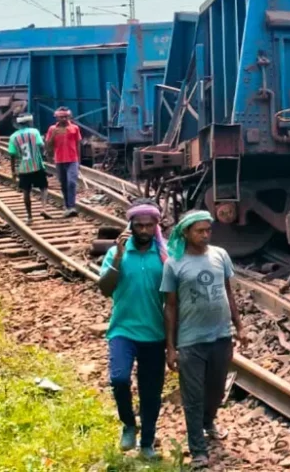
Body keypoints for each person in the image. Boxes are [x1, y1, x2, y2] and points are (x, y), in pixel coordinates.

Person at [161, 211, 247, 469]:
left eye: (208, 230)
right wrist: (171, 347)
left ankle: (208, 422)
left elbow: (228, 293)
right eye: (200, 231)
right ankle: (198, 449)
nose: (206, 235)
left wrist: (239, 326)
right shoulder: (174, 263)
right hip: (191, 341)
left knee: (217, 390)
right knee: (193, 397)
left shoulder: (220, 255)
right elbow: (170, 306)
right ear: (186, 233)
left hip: (221, 336)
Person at [99, 200, 169, 460]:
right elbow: (105, 289)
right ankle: (129, 424)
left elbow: (174, 299)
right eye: (139, 225)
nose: (144, 230)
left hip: (155, 333)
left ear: (156, 226)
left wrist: (173, 340)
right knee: (119, 379)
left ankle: (147, 442)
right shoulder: (116, 253)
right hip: (123, 330)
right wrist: (118, 256)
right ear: (130, 226)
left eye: (149, 225)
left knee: (151, 392)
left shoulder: (164, 255)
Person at [7, 114, 52, 222]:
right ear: (28, 122)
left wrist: (13, 171)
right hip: (37, 165)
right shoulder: (34, 132)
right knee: (43, 187)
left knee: (26, 192)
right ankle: (43, 208)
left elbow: (12, 155)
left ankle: (29, 216)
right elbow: (41, 145)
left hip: (23, 168)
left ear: (18, 124)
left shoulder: (13, 137)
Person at [45, 107, 81, 217]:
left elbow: (78, 144)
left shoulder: (74, 128)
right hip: (60, 160)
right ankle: (67, 206)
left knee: (71, 182)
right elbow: (48, 146)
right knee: (64, 184)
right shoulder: (52, 129)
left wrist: (79, 160)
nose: (64, 119)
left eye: (66, 117)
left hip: (72, 160)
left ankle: (72, 206)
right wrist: (53, 135)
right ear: (56, 118)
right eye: (61, 117)